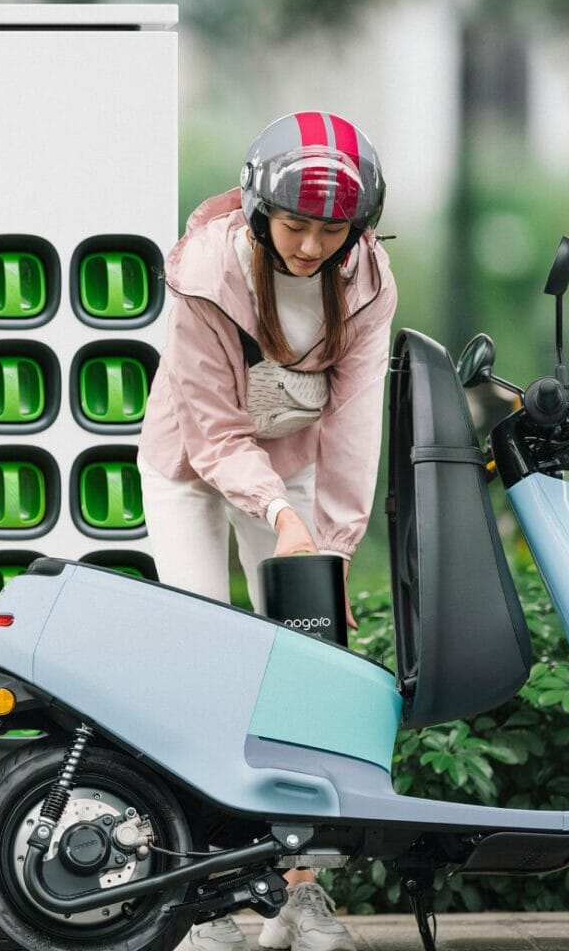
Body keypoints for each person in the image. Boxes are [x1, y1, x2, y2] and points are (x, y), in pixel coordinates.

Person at [137, 111, 397, 951]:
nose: (312, 246)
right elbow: (214, 434)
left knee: (304, 668)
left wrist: (330, 549)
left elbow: (355, 429)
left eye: (331, 229)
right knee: (199, 670)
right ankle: (203, 895)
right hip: (189, 463)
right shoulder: (205, 271)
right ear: (259, 210)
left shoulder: (367, 279)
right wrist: (283, 519)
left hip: (292, 461)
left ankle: (303, 895)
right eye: (295, 225)